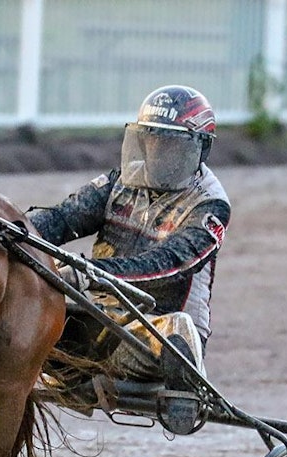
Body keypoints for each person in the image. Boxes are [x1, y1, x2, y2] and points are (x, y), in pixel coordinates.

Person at [28, 85, 231, 432]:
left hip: (150, 330)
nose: (159, 152)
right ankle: (68, 368)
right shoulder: (119, 180)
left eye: (172, 145)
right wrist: (13, 233)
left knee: (175, 328)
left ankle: (185, 373)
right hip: (95, 319)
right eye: (152, 140)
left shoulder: (210, 206)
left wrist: (90, 274)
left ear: (200, 150)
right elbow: (61, 220)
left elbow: (168, 264)